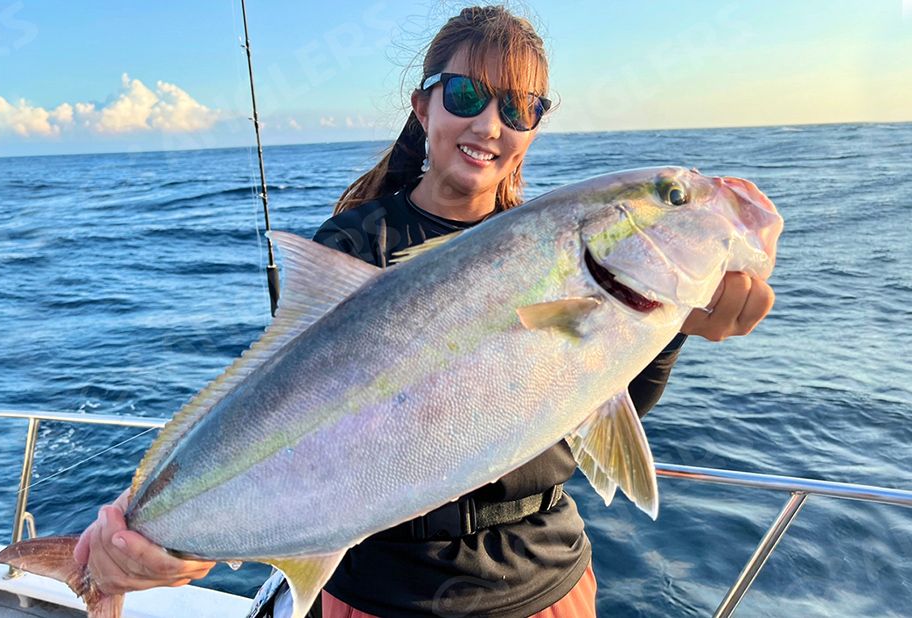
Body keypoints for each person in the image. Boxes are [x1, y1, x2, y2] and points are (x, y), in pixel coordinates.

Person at [74, 6, 775, 617]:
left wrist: (674, 330)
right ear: (423, 106)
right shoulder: (356, 241)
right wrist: (157, 537)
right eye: (466, 95)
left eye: (518, 108)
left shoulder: (567, 260)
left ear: (535, 126)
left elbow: (599, 404)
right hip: (379, 591)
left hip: (541, 582)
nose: (489, 124)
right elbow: (284, 429)